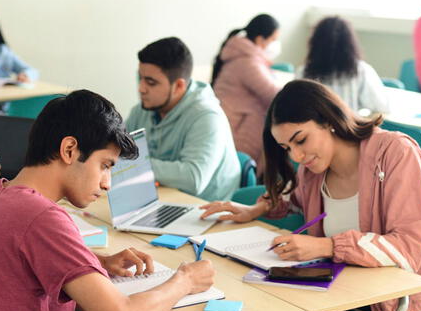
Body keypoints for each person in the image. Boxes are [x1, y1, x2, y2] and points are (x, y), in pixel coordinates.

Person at [0, 89, 215, 311]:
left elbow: (15, 266)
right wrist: (185, 280)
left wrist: (94, 264)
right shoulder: (42, 218)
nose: (108, 183)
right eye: (105, 166)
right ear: (69, 150)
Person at [201, 79, 421, 311]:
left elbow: (409, 248)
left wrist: (327, 246)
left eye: (301, 140)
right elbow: (295, 199)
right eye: (287, 147)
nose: (296, 156)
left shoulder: (395, 152)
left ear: (329, 120)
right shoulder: (314, 170)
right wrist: (255, 209)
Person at [125, 37, 240, 201]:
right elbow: (119, 151)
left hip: (205, 210)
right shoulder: (142, 110)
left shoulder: (207, 117)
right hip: (160, 199)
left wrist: (134, 165)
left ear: (179, 86)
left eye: (151, 82)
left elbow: (193, 178)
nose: (141, 88)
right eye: (140, 78)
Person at [212, 14, 282, 178]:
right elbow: (272, 93)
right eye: (273, 39)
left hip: (233, 125)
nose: (276, 45)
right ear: (260, 39)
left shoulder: (245, 57)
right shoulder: (247, 62)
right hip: (238, 130)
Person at [298, 16, 389, 114]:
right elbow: (381, 107)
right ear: (350, 44)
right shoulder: (361, 70)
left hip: (311, 129)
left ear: (314, 43)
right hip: (348, 128)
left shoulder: (303, 71)